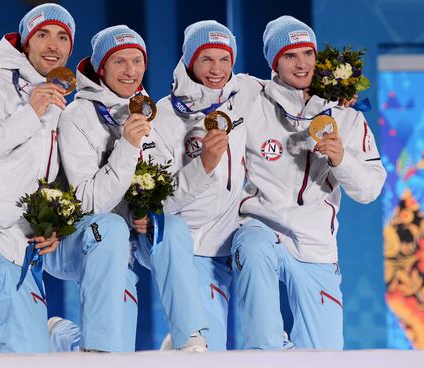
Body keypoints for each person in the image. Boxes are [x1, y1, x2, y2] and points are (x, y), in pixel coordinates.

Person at [0, 3, 131, 355]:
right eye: (43, 35)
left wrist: (57, 224)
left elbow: (57, 184)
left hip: (20, 241)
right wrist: (28, 114)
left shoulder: (63, 104)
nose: (53, 45)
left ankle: (15, 338)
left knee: (24, 356)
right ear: (26, 43)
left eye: (63, 37)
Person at [231, 15, 386, 350]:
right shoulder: (250, 98)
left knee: (324, 355)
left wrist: (341, 160)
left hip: (316, 244)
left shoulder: (346, 117)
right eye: (289, 56)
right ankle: (267, 349)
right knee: (254, 250)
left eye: (307, 54)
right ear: (274, 62)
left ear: (319, 58)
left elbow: (371, 189)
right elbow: (208, 82)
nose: (301, 65)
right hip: (261, 227)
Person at [54, 25, 209, 351]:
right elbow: (88, 202)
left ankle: (188, 340)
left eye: (137, 60)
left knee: (173, 228)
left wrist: (152, 212)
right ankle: (76, 343)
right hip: (79, 237)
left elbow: (167, 192)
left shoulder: (153, 114)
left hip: (130, 236)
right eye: (119, 61)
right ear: (101, 67)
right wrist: (126, 145)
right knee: (108, 228)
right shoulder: (77, 117)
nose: (130, 70)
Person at [151, 20, 262, 350]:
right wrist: (204, 166)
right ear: (189, 61)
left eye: (225, 59)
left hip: (234, 242)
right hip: (193, 249)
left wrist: (335, 100)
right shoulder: (164, 117)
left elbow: (291, 87)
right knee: (206, 354)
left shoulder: (245, 96)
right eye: (206, 59)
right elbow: (159, 203)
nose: (217, 70)